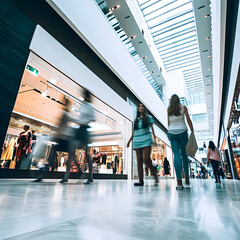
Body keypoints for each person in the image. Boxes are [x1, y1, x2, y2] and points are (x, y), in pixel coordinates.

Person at [60, 89, 95, 184]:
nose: (82, 96)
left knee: (87, 154)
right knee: (71, 152)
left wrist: (82, 122)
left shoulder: (90, 107)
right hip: (79, 130)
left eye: (84, 95)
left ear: (87, 96)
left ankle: (90, 176)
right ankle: (66, 177)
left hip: (84, 131)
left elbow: (92, 119)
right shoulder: (83, 105)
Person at [127, 103, 158, 186]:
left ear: (144, 108)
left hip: (147, 139)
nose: (141, 107)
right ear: (138, 108)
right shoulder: (135, 121)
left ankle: (155, 175)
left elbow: (152, 128)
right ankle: (141, 180)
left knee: (146, 158)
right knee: (139, 160)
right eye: (139, 106)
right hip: (137, 140)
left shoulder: (148, 118)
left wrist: (154, 139)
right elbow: (134, 133)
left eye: (142, 106)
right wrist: (129, 141)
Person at [167, 94, 193, 190]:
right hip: (182, 132)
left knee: (176, 155)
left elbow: (168, 122)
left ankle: (179, 182)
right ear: (178, 100)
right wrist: (192, 130)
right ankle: (186, 178)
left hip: (172, 133)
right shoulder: (183, 107)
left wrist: (169, 132)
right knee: (184, 155)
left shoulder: (169, 110)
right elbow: (188, 119)